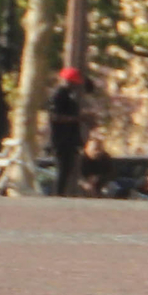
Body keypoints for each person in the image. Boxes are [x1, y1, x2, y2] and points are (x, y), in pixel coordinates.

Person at [48, 67, 87, 198]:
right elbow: (55, 117)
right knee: (62, 168)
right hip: (61, 138)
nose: (75, 86)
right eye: (73, 83)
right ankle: (58, 194)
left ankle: (62, 192)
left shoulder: (69, 96)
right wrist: (77, 118)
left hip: (70, 137)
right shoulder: (58, 95)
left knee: (68, 168)